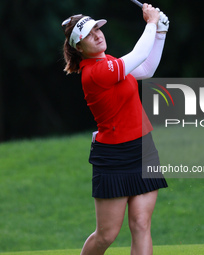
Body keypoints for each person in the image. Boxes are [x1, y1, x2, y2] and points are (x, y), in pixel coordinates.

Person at [61, 4, 169, 255]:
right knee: (106, 235)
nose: (98, 34)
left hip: (143, 149)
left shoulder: (109, 62)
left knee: (141, 223)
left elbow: (145, 69)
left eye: (97, 28)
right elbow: (139, 55)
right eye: (89, 34)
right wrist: (151, 23)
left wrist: (160, 32)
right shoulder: (95, 72)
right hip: (113, 158)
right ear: (79, 48)